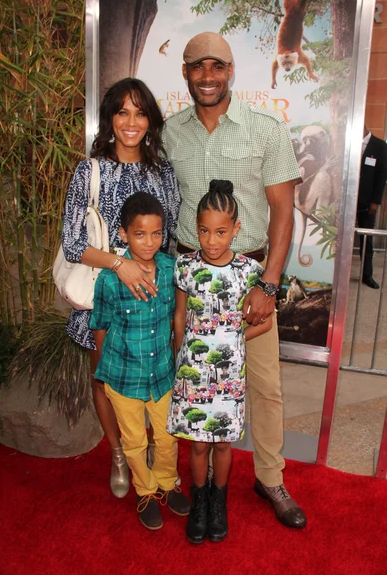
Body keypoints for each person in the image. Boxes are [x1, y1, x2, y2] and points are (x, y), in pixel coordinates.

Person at [162, 31, 307, 528]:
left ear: (230, 71)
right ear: (185, 72)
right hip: (188, 279)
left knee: (264, 386)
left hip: (248, 281)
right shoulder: (169, 132)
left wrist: (268, 285)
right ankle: (173, 476)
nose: (207, 75)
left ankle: (270, 477)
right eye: (197, 66)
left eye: (217, 66)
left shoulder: (265, 129)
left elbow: (283, 213)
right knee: (182, 379)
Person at [61, 78, 180, 499]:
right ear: (111, 118)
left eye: (140, 112)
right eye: (123, 112)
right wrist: (120, 263)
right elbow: (72, 243)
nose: (132, 122)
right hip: (105, 289)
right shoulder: (90, 170)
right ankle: (118, 452)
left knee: (151, 377)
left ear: (151, 120)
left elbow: (167, 238)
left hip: (151, 297)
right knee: (106, 378)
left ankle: (149, 450)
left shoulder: (164, 172)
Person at [167, 179, 271, 543]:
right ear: (195, 229)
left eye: (221, 232)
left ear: (236, 230)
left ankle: (219, 500)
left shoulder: (248, 272)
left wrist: (234, 338)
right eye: (204, 231)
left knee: (223, 443)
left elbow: (266, 320)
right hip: (193, 371)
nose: (211, 241)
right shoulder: (185, 266)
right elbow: (180, 317)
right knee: (197, 444)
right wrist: (182, 358)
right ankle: (199, 499)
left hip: (230, 374)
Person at [89, 191, 189, 530]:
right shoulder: (108, 279)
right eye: (140, 234)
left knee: (167, 437)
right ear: (123, 234)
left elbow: (177, 317)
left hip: (162, 374)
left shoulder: (170, 269)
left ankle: (167, 482)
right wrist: (105, 369)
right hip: (123, 376)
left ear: (165, 233)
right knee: (134, 441)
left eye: (157, 233)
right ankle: (145, 490)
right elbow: (100, 325)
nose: (149, 242)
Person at [357, 126, 387, 289]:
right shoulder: (350, 143)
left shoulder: (380, 145)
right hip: (347, 200)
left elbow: (382, 176)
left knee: (366, 238)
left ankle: (367, 275)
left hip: (367, 201)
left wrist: (375, 202)